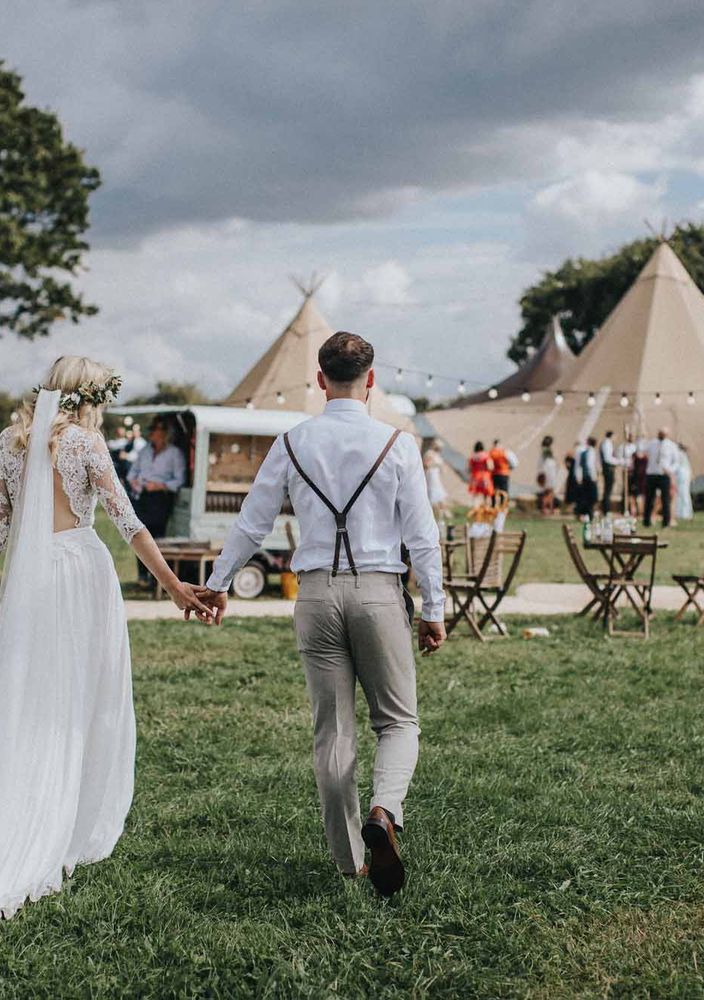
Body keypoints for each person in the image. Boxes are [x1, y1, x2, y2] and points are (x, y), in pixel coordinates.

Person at [195, 331, 446, 898]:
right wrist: (434, 607)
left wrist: (217, 583)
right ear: (372, 381)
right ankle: (384, 811)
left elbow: (251, 523)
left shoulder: (291, 442)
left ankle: (350, 860)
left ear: (319, 379)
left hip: (313, 595)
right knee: (398, 720)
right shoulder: (398, 444)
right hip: (379, 591)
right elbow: (423, 538)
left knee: (333, 731)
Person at [0, 357, 212, 919]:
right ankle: (67, 814)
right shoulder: (86, 446)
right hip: (80, 575)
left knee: (28, 694)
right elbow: (129, 521)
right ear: (89, 397)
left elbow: (2, 526)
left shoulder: (8, 443)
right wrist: (172, 586)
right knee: (86, 697)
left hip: (28, 577)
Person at [127, 417, 186, 586]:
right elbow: (132, 473)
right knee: (139, 535)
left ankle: (156, 578)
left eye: (156, 429)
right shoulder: (145, 451)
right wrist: (135, 482)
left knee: (157, 538)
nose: (152, 432)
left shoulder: (175, 453)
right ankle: (142, 576)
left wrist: (160, 485)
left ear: (165, 432)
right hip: (142, 496)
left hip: (161, 498)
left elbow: (179, 481)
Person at [640, 427, 679, 528]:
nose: (661, 435)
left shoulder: (671, 446)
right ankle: (646, 521)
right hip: (652, 474)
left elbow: (676, 462)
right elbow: (641, 449)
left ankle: (666, 522)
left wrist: (669, 470)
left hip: (664, 475)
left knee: (665, 499)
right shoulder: (652, 443)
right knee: (649, 499)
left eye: (663, 433)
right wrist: (641, 438)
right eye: (660, 433)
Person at [573, 437, 599, 519]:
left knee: (585, 497)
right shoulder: (591, 452)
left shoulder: (584, 452)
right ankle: (589, 514)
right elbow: (590, 465)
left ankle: (585, 513)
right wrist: (593, 476)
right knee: (591, 498)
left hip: (585, 477)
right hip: (589, 478)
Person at [423, 439, 449, 521]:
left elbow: (442, 466)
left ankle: (442, 515)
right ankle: (437, 515)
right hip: (431, 475)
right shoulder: (429, 453)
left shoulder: (437, 455)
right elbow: (426, 465)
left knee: (440, 495)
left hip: (436, 475)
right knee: (434, 495)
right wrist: (435, 465)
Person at [488, 439, 516, 506]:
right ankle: (503, 506)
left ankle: (493, 505)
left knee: (493, 491)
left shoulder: (490, 453)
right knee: (504, 491)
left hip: (494, 474)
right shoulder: (506, 452)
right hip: (504, 474)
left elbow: (488, 464)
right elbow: (514, 463)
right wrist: (509, 468)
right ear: (500, 445)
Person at [599, 430, 620, 515]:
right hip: (608, 469)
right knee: (608, 489)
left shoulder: (607, 443)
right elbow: (607, 458)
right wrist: (619, 461)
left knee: (608, 489)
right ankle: (606, 509)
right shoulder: (607, 444)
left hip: (608, 468)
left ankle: (606, 508)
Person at [536, 435, 559, 515]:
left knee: (549, 492)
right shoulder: (546, 451)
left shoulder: (544, 451)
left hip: (548, 472)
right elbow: (546, 463)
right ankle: (546, 508)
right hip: (549, 472)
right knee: (548, 492)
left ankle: (549, 508)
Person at [467, 441, 494, 506]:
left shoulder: (473, 457)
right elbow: (490, 467)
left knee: (476, 493)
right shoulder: (486, 455)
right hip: (484, 477)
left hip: (475, 477)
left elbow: (469, 468)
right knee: (486, 493)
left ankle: (475, 508)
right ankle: (486, 508)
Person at [674, 444, 693, 521]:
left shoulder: (679, 454)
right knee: (682, 494)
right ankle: (682, 513)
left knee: (683, 494)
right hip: (683, 475)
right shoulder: (683, 455)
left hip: (682, 476)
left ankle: (684, 514)